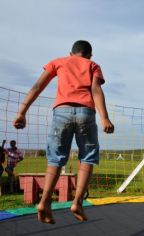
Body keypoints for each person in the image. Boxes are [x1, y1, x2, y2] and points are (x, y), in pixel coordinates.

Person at [13, 40, 114, 224]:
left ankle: (44, 203)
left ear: (70, 53)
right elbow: (96, 90)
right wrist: (105, 117)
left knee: (55, 159)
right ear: (89, 55)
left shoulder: (58, 61)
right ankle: (77, 203)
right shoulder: (93, 65)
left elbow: (37, 86)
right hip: (86, 112)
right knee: (88, 157)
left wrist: (22, 112)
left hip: (61, 112)